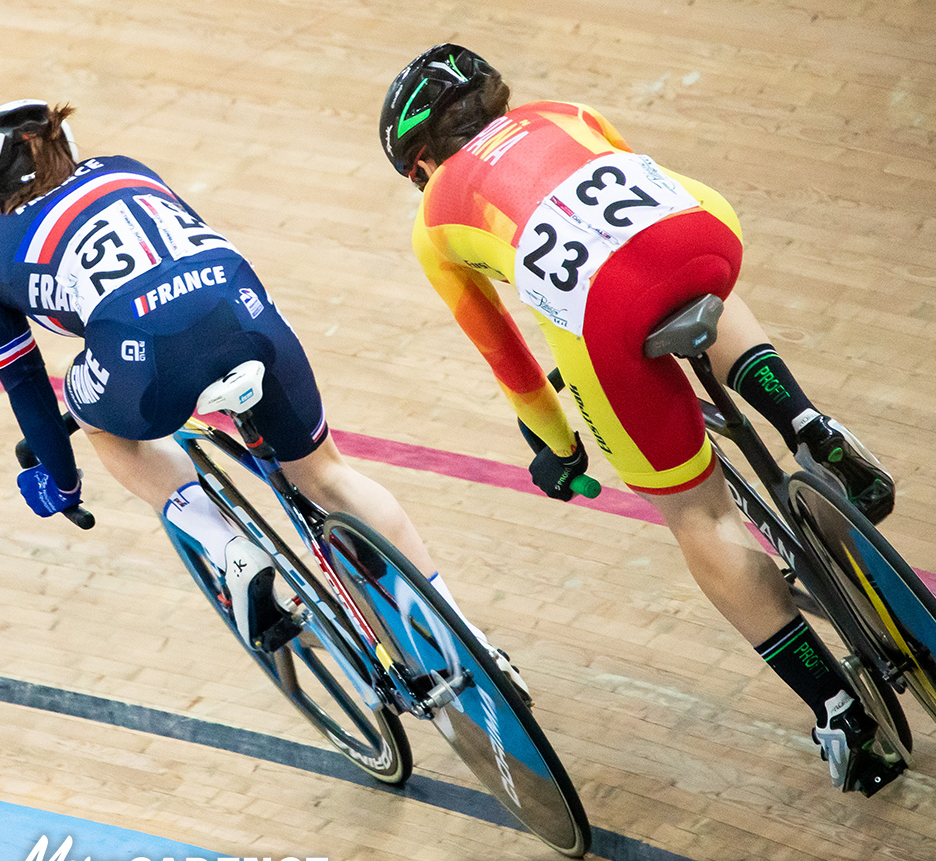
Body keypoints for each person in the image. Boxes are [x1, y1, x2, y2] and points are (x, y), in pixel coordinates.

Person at [377, 44, 901, 794]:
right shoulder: (565, 113)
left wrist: (556, 447)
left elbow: (511, 362)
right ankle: (807, 423)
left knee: (697, 512)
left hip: (607, 310)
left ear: (421, 160)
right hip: (706, 232)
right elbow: (639, 221)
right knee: (688, 280)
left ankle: (839, 709)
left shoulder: (434, 218)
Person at [0, 99, 474, 657]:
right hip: (244, 315)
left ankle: (229, 549)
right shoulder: (126, 168)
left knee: (93, 419)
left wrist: (61, 481)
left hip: (141, 354)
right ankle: (471, 644)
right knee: (328, 475)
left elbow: (26, 384)